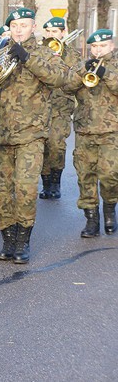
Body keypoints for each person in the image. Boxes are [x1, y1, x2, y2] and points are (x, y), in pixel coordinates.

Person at [0, 8, 68, 264]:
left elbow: (59, 78)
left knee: (26, 189)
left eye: (23, 24)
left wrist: (27, 58)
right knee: (1, 190)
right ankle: (8, 239)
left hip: (31, 134)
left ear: (33, 27)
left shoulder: (45, 53)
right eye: (14, 25)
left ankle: (23, 241)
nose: (18, 29)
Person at [62, 29, 118, 237]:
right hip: (85, 129)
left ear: (111, 46)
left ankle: (110, 208)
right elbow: (65, 86)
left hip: (112, 130)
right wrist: (82, 73)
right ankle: (91, 220)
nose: (98, 50)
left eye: (102, 46)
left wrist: (106, 74)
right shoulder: (83, 65)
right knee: (85, 175)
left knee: (110, 174)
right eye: (94, 46)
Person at [38, 17, 77, 200]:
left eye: (55, 31)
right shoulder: (39, 53)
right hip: (40, 106)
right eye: (49, 31)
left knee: (56, 144)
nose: (51, 35)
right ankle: (46, 184)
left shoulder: (73, 55)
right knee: (42, 146)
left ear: (63, 33)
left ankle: (55, 182)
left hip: (61, 107)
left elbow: (75, 80)